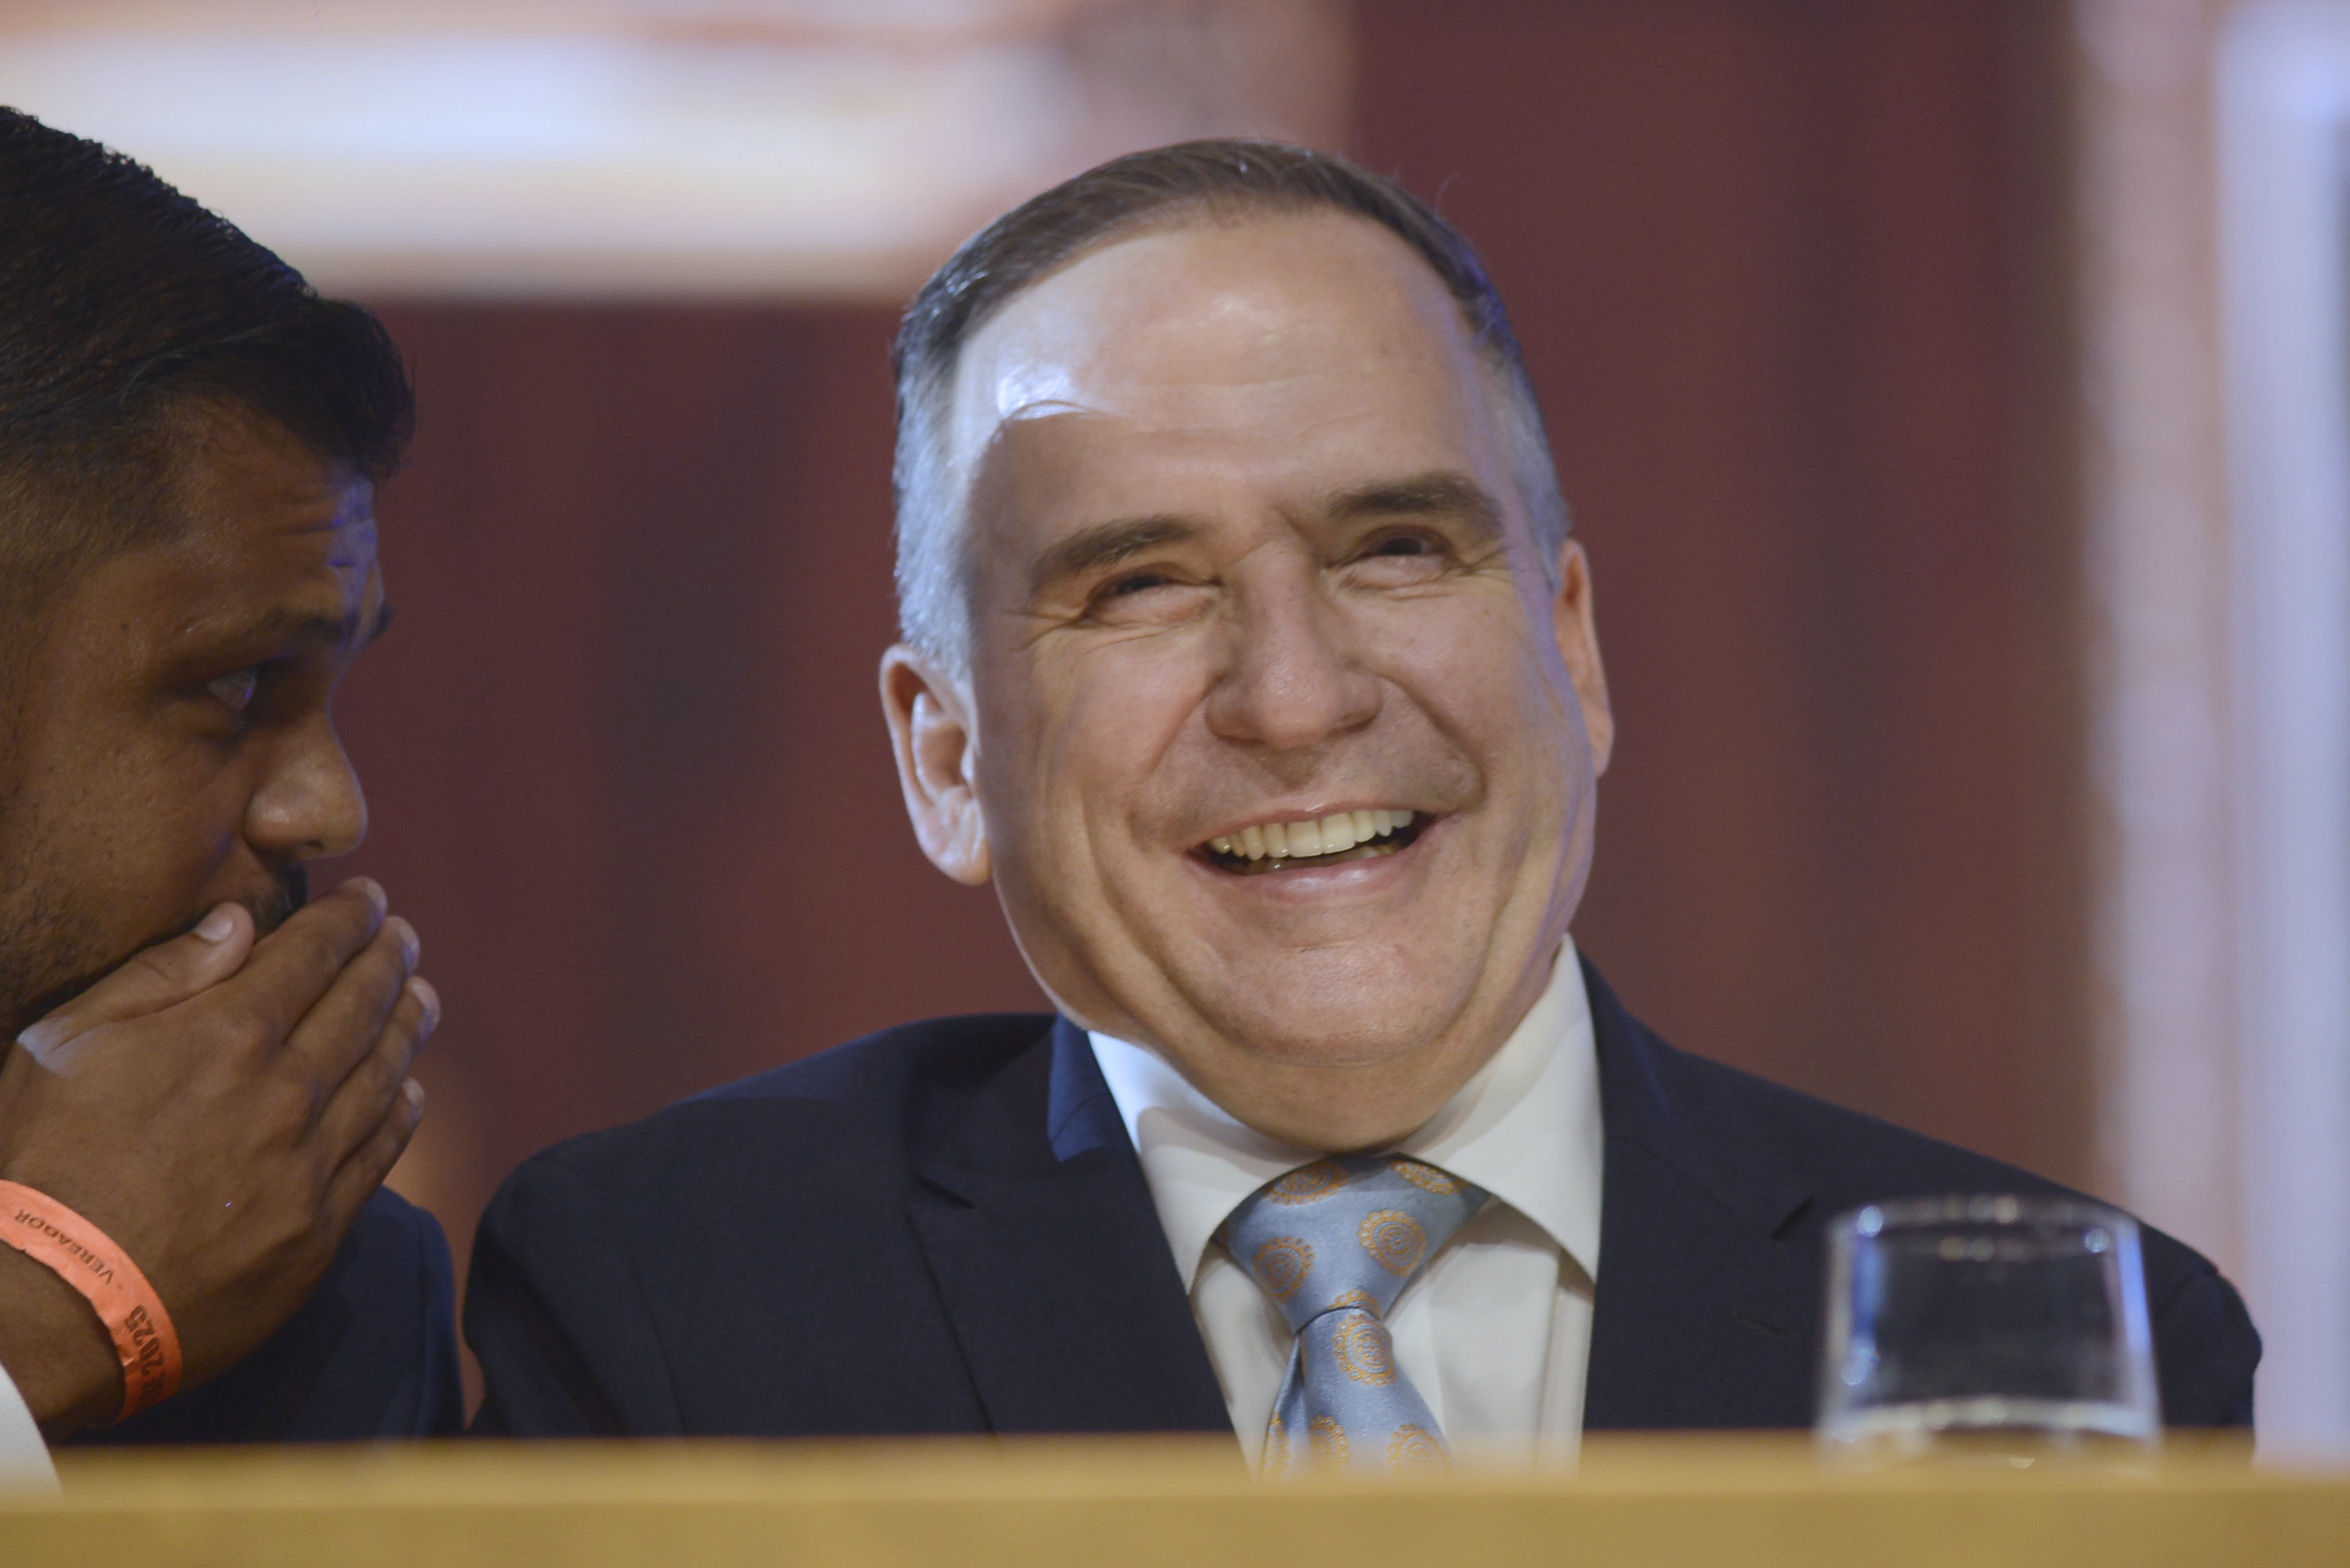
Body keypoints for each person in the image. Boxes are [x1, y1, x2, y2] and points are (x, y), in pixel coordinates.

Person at [465, 140, 2258, 1463]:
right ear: (946, 758)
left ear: (1574, 647)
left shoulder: (2083, 1359)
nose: (1297, 695)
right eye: (1140, 585)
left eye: (1398, 548)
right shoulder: (674, 1305)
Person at [0, 110, 461, 1479]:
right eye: (238, 685)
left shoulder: (312, 1282)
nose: (328, 807)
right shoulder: (132, 1283)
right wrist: (49, 1319)